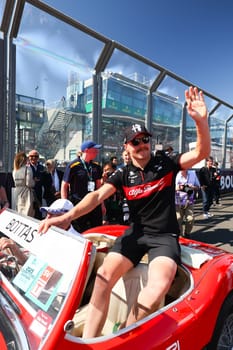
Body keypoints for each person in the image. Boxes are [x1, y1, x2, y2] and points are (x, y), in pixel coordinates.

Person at [38, 87, 210, 338]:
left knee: (158, 287)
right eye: (135, 141)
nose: (142, 145)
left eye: (145, 139)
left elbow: (201, 153)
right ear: (126, 147)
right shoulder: (122, 174)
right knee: (103, 277)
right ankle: (90, 341)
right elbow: (96, 196)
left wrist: (200, 121)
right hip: (136, 234)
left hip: (164, 236)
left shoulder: (165, 163)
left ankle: (123, 336)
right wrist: (66, 216)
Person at [61, 140, 103, 232]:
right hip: (78, 203)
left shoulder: (96, 166)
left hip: (94, 203)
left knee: (96, 229)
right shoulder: (73, 166)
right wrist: (64, 204)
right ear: (87, 150)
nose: (97, 152)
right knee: (79, 230)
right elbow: (64, 185)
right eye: (95, 149)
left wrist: (102, 204)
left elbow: (99, 186)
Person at [175, 169, 200, 237]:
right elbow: (170, 187)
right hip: (178, 201)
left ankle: (187, 233)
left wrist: (192, 187)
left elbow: (198, 186)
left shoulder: (193, 174)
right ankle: (180, 236)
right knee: (178, 219)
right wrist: (179, 187)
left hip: (189, 201)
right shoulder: (175, 174)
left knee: (190, 219)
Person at [13, 151, 35, 217]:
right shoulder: (28, 169)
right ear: (24, 159)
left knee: (19, 211)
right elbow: (29, 183)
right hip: (26, 193)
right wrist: (34, 182)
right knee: (28, 212)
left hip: (17, 192)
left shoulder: (15, 170)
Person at [28, 149, 48, 219]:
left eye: (36, 156)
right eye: (31, 156)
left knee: (38, 211)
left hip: (39, 193)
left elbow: (45, 179)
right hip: (29, 193)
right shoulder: (26, 167)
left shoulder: (42, 168)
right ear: (28, 157)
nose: (34, 158)